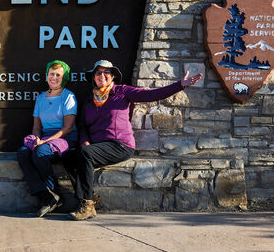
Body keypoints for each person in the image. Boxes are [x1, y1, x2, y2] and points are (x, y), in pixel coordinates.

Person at [64, 59, 202, 221]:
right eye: (98, 73)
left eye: (106, 72)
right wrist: (84, 141)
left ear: (113, 76)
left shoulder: (122, 92)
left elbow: (152, 94)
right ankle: (89, 197)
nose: (102, 75)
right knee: (68, 157)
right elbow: (82, 127)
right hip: (95, 148)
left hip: (120, 145)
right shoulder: (89, 101)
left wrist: (180, 85)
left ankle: (86, 204)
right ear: (93, 77)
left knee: (84, 154)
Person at [16, 60, 78, 217]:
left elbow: (68, 127)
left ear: (64, 77)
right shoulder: (41, 98)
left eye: (58, 75)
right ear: (47, 75)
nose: (54, 77)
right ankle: (46, 195)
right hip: (45, 137)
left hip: (65, 138)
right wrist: (36, 139)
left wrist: (44, 142)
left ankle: (53, 192)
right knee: (23, 152)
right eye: (52, 74)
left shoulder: (68, 96)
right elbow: (37, 127)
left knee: (41, 152)